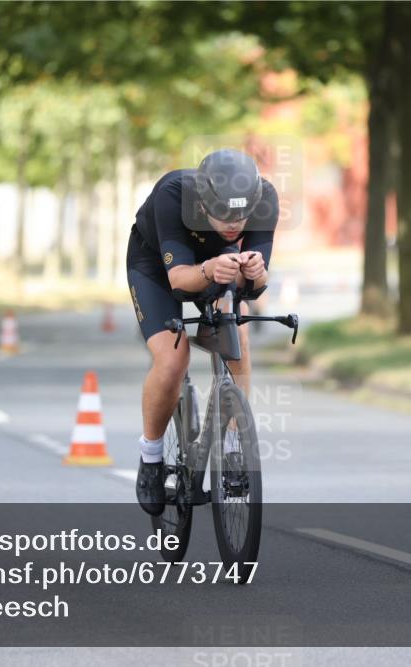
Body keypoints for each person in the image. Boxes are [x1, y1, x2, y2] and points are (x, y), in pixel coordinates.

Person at [125, 148, 279, 516]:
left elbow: (256, 286)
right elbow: (179, 280)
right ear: (203, 203)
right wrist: (210, 268)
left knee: (237, 338)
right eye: (223, 214)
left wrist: (255, 271)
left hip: (218, 263)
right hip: (156, 266)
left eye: (241, 216)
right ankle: (150, 457)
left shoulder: (265, 198)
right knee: (173, 358)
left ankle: (232, 447)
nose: (233, 223)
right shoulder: (174, 194)